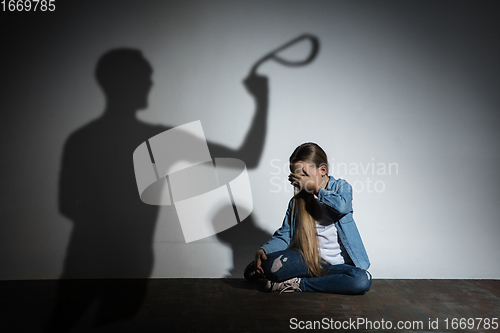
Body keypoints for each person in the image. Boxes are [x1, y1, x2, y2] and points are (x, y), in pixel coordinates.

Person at [244, 142, 372, 294]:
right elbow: (285, 234)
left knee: (362, 280)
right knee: (269, 265)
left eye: (304, 175)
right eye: (297, 176)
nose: (301, 182)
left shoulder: (341, 187)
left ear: (322, 170)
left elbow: (343, 206)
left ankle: (298, 284)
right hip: (309, 263)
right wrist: (264, 249)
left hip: (340, 266)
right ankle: (285, 276)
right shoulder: (297, 202)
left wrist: (316, 189)